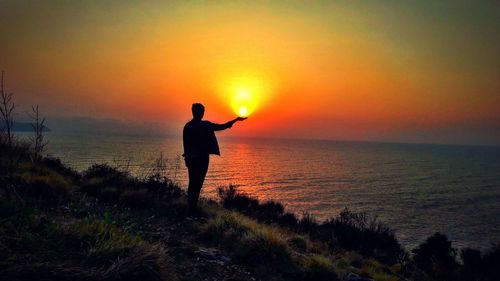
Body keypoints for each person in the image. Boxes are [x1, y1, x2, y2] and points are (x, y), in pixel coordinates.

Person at [183, 103, 246, 216]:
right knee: (197, 183)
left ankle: (191, 208)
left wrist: (187, 160)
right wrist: (236, 120)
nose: (203, 113)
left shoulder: (187, 126)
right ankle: (192, 209)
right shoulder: (205, 125)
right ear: (200, 113)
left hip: (191, 159)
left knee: (192, 183)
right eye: (202, 111)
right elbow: (222, 126)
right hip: (202, 159)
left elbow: (185, 145)